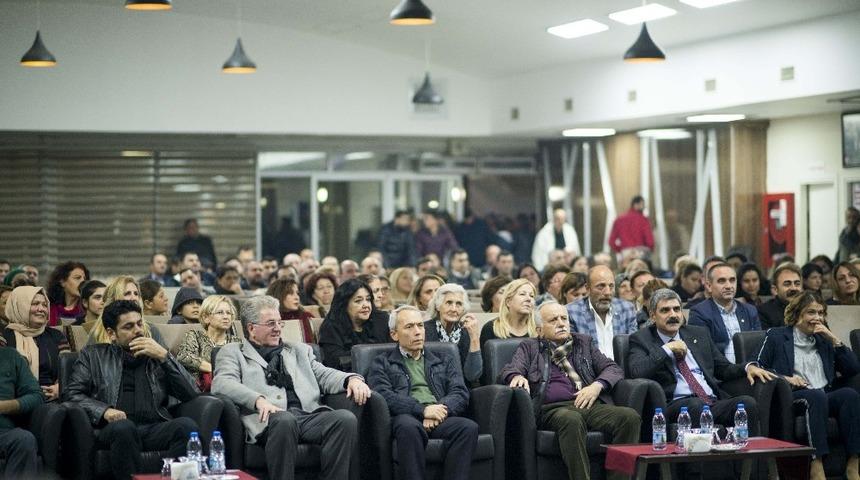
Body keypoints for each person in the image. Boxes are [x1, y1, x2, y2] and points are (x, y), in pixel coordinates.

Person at [211, 295, 369, 480]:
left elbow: (324, 374)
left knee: (344, 419)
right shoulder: (233, 352)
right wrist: (258, 400)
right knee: (285, 420)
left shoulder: (299, 350)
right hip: (268, 421)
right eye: (271, 323)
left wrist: (351, 379)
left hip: (307, 416)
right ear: (251, 329)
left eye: (279, 322)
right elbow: (222, 383)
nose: (278, 328)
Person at [500, 301, 641, 480]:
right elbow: (510, 369)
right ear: (540, 330)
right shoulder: (530, 346)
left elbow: (613, 368)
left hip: (588, 403)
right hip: (553, 409)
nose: (561, 323)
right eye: (553, 320)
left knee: (629, 417)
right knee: (571, 419)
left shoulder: (583, 342)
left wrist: (597, 386)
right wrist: (515, 376)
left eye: (564, 318)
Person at [65, 300, 200, 480]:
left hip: (152, 427)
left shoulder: (157, 355)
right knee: (124, 428)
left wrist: (165, 357)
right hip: (112, 429)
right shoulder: (93, 355)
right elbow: (71, 394)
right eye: (128, 326)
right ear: (112, 334)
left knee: (186, 426)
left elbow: (190, 392)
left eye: (139, 324)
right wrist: (104, 411)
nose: (138, 330)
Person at [628, 289, 775, 448]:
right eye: (665, 310)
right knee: (696, 405)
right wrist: (667, 349)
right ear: (652, 315)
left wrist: (747, 368)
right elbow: (637, 371)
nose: (673, 315)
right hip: (677, 404)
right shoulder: (641, 339)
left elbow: (723, 368)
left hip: (710, 400)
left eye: (677, 309)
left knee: (747, 403)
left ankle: (751, 468)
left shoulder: (698, 334)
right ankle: (699, 471)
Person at [755, 292, 860, 480]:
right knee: (816, 397)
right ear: (797, 314)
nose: (818, 318)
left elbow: (853, 368)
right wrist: (787, 378)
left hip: (824, 392)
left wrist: (833, 338)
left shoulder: (823, 339)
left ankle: (853, 463)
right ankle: (816, 463)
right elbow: (758, 367)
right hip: (794, 394)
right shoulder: (777, 336)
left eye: (821, 313)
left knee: (849, 395)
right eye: (812, 312)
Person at [368, 305, 479, 480]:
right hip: (406, 416)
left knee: (467, 427)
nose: (418, 332)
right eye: (409, 327)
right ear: (394, 334)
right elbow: (383, 395)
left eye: (420, 325)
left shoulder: (444, 359)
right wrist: (422, 410)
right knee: (408, 427)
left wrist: (439, 410)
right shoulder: (382, 362)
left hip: (440, 414)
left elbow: (459, 392)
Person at [4, 286, 70, 402]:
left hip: (56, 397)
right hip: (18, 401)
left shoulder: (56, 335)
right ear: (19, 306)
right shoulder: (4, 337)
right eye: (35, 304)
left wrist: (59, 387)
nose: (41, 309)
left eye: (45, 305)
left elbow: (68, 369)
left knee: (72, 410)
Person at [688, 263, 762, 363]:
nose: (728, 286)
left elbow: (759, 346)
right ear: (709, 286)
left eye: (732, 280)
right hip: (720, 374)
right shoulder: (699, 313)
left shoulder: (750, 310)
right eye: (721, 281)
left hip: (751, 370)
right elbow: (704, 353)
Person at [567, 266, 638, 360]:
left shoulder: (626, 309)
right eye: (601, 286)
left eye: (611, 286)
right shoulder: (572, 312)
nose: (607, 292)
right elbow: (575, 355)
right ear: (587, 289)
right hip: (590, 372)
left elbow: (634, 349)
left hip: (622, 370)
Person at [318, 279, 389, 371]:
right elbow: (335, 362)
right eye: (358, 301)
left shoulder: (381, 320)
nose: (366, 305)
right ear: (344, 304)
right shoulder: (331, 327)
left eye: (368, 300)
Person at [176, 295, 241, 392]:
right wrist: (214, 369)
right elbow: (184, 357)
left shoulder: (236, 342)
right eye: (220, 312)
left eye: (229, 313)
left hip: (230, 389)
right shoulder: (195, 336)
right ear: (206, 317)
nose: (226, 316)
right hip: (199, 391)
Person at [0, 342, 43, 477]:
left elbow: (37, 396)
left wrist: (5, 406)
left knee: (24, 439)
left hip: (3, 432)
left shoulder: (11, 356)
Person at [423, 284, 482, 383]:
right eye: (449, 303)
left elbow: (473, 375)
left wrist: (474, 337)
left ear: (463, 309)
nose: (454, 309)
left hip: (461, 388)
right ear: (438, 306)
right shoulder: (423, 330)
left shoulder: (467, 332)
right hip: (432, 387)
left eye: (459, 304)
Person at [480, 278, 538, 346]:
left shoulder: (538, 329)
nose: (528, 299)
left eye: (532, 296)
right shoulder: (491, 328)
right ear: (508, 302)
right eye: (522, 294)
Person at [266, 278, 314, 343]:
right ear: (279, 295)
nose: (297, 297)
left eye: (297, 293)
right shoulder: (267, 320)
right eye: (291, 293)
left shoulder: (306, 317)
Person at [757, 263, 803, 329]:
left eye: (797, 284)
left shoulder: (809, 308)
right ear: (775, 290)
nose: (793, 288)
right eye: (787, 284)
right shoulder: (764, 312)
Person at [45, 261, 90, 326]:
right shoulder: (48, 310)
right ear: (63, 282)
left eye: (84, 279)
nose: (83, 282)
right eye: (77, 278)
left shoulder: (89, 310)